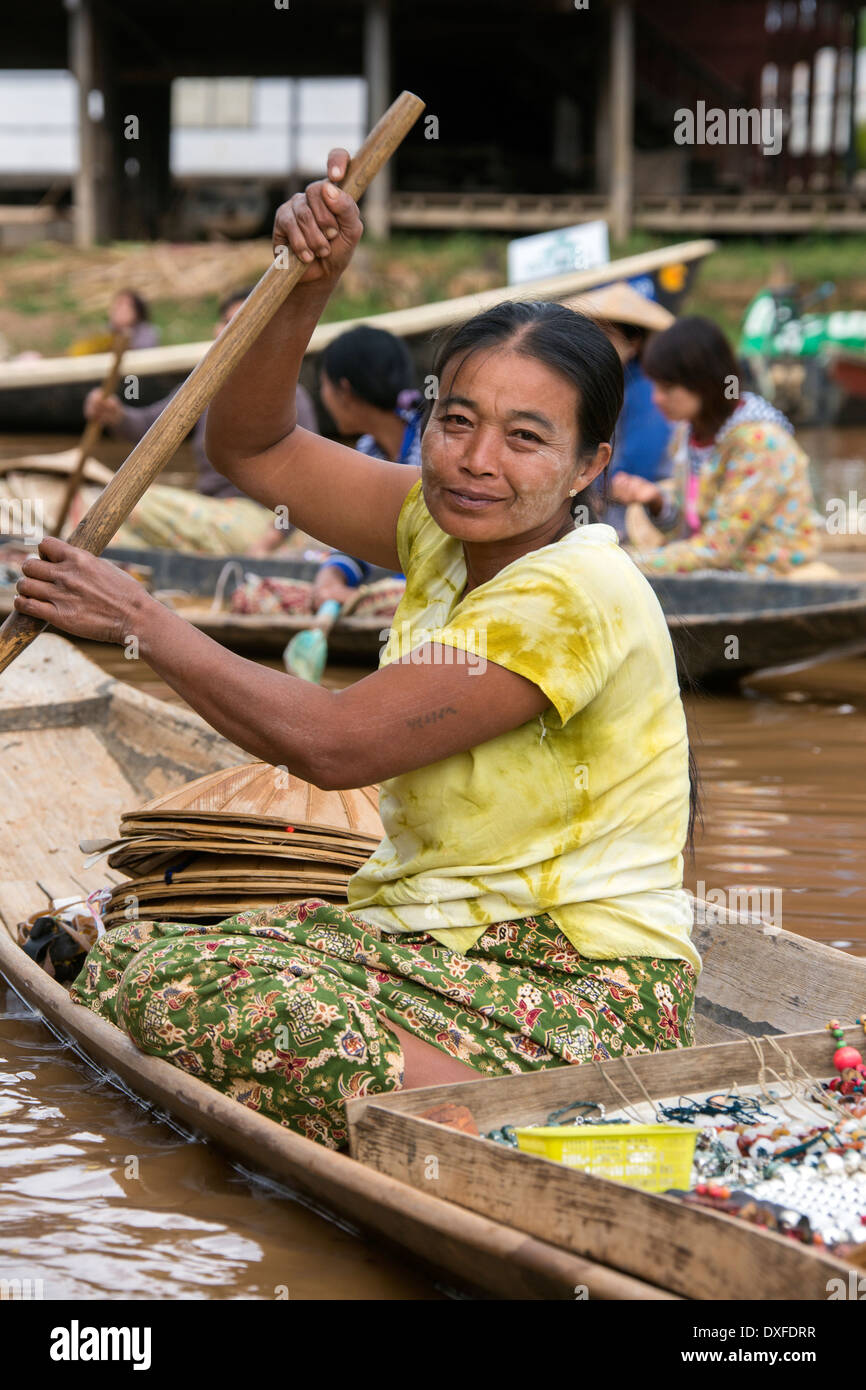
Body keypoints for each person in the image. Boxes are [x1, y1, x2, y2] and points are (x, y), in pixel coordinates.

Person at [16, 151, 700, 1151]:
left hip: (576, 981)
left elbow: (334, 746)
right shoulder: (441, 521)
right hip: (435, 939)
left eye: (523, 438)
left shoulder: (573, 590)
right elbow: (248, 450)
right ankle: (441, 1082)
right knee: (133, 950)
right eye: (455, 422)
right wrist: (308, 283)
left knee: (206, 994)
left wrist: (140, 619)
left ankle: (519, 1115)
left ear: (589, 463)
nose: (475, 459)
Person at [83, 289, 319, 555]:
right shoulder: (203, 389)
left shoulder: (289, 396)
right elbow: (150, 427)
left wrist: (268, 542)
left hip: (261, 524)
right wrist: (114, 414)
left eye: (246, 322)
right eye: (227, 322)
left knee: (117, 503)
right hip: (211, 512)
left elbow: (305, 486)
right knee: (110, 535)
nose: (233, 331)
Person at [617, 316, 821, 575]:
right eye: (655, 386)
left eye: (667, 388)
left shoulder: (760, 445)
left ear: (704, 384)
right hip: (719, 572)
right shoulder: (689, 433)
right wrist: (657, 501)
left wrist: (627, 563)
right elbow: (689, 528)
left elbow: (717, 549)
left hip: (766, 577)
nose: (656, 398)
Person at [312, 324, 422, 608]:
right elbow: (357, 532)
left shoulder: (434, 438)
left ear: (344, 390)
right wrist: (332, 575)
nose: (323, 396)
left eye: (324, 385)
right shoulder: (367, 449)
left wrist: (361, 598)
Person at [570, 282, 674, 539]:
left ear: (634, 343)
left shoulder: (646, 392)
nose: (595, 345)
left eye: (606, 337)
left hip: (631, 518)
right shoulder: (604, 385)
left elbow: (632, 474)